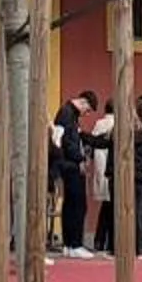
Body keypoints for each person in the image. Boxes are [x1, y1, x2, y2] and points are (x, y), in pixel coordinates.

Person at [52, 91, 96, 256]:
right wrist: (80, 159)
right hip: (70, 165)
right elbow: (66, 142)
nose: (87, 114)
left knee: (71, 203)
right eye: (88, 110)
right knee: (77, 204)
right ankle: (74, 243)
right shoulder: (67, 114)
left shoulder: (69, 114)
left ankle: (69, 244)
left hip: (69, 163)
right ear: (83, 102)